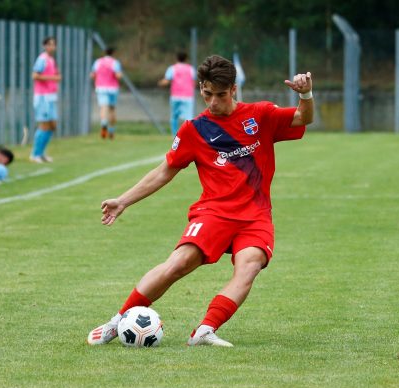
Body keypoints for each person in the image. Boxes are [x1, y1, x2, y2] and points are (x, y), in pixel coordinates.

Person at [87, 55, 314, 347]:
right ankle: (117, 321)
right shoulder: (194, 130)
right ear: (201, 89)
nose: (213, 102)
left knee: (250, 266)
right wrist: (124, 201)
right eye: (207, 95)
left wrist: (305, 94)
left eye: (221, 95)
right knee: (179, 264)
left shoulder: (260, 116)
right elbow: (164, 171)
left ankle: (205, 330)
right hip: (213, 214)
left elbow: (303, 117)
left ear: (233, 90)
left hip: (255, 216)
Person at [30, 36, 61, 163]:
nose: (51, 47)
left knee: (52, 125)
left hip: (50, 96)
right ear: (44, 46)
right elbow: (35, 75)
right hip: (42, 97)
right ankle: (35, 154)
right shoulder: (42, 59)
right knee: (44, 125)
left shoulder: (51, 60)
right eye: (49, 44)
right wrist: (53, 78)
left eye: (53, 44)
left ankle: (41, 153)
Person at [158, 51, 196, 136]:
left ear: (176, 58)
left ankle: (175, 135)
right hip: (188, 96)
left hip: (175, 96)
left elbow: (166, 81)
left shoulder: (172, 68)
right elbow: (194, 82)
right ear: (186, 59)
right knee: (188, 117)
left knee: (174, 116)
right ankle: (189, 135)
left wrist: (160, 83)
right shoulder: (191, 69)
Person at [90, 47, 122, 139]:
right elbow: (118, 75)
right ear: (113, 53)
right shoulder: (115, 63)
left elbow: (92, 75)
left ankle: (104, 125)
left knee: (104, 107)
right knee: (112, 109)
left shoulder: (98, 62)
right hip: (112, 88)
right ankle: (111, 131)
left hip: (101, 88)